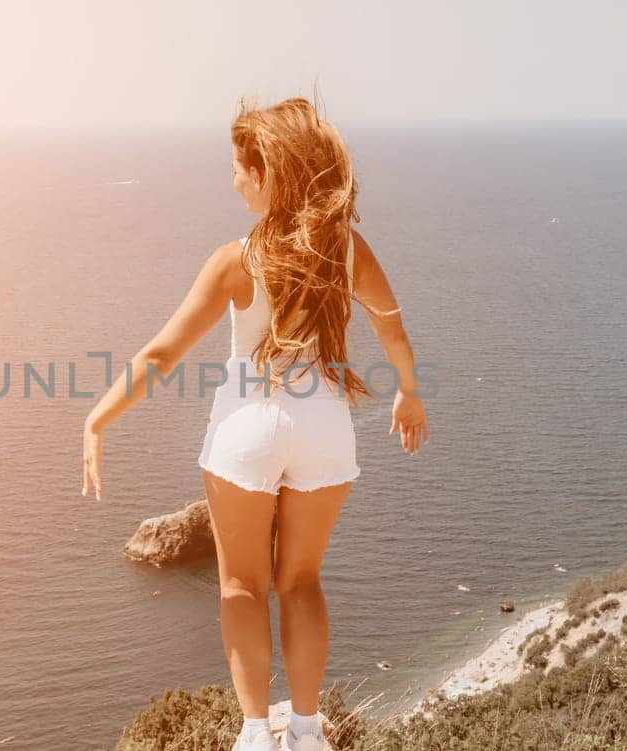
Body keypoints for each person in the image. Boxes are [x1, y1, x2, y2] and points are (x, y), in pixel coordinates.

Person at [81, 95, 427, 751]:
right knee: (301, 581)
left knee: (241, 585)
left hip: (247, 427)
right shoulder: (348, 250)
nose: (232, 180)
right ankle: (304, 729)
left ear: (267, 174)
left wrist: (98, 417)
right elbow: (394, 328)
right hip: (324, 427)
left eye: (239, 168)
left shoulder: (235, 260)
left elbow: (160, 355)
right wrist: (409, 395)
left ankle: (254, 734)